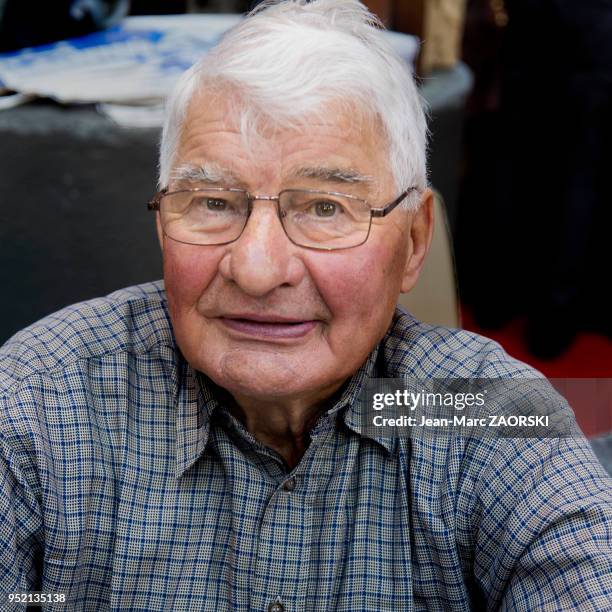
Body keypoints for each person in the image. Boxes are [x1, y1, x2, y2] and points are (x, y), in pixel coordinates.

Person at [0, 1, 610, 610]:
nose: (258, 270)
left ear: (414, 241)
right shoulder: (46, 400)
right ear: (164, 222)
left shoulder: (475, 413)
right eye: (212, 202)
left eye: (325, 208)